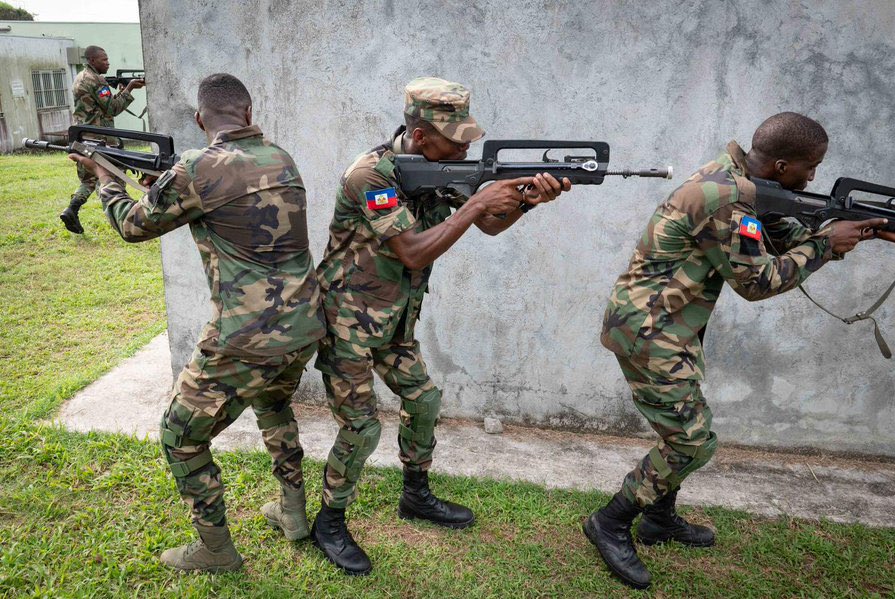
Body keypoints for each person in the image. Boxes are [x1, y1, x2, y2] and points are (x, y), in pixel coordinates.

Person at [584, 112, 895, 589]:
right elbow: (758, 281)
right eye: (809, 167)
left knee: (685, 426)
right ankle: (610, 521)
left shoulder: (736, 179)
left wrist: (850, 230)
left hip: (668, 326)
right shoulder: (725, 197)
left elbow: (769, 230)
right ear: (779, 165)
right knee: (692, 441)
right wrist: (823, 247)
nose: (813, 177)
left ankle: (659, 519)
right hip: (651, 331)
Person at [311, 77, 571, 575]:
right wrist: (474, 203)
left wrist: (525, 203)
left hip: (395, 320)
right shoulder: (371, 175)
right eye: (456, 138)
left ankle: (416, 495)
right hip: (347, 321)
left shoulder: (438, 167)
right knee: (362, 427)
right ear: (422, 135)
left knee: (424, 400)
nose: (466, 145)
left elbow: (489, 224)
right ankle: (331, 520)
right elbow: (411, 252)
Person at [69, 73, 325, 573]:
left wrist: (107, 182)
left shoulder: (194, 168)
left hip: (246, 336)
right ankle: (293, 512)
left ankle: (215, 551)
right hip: (303, 324)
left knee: (179, 436)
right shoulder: (280, 157)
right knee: (273, 405)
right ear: (249, 114)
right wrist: (164, 188)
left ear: (199, 119)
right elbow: (228, 205)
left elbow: (131, 226)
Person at [60, 45, 145, 234]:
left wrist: (121, 92)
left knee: (89, 178)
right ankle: (123, 216)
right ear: (92, 60)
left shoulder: (82, 77)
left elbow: (100, 106)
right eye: (103, 60)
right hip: (100, 139)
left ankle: (72, 209)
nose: (108, 63)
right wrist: (130, 88)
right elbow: (112, 108)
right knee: (115, 174)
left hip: (84, 136)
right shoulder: (96, 81)